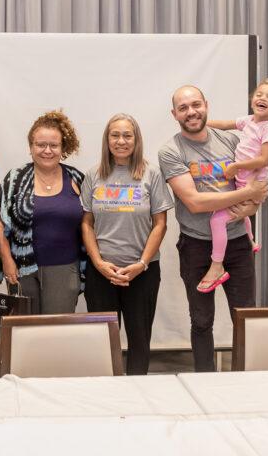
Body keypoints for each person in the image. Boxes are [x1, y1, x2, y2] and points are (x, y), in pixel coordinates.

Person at [158, 85, 268, 372]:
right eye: (183, 108)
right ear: (174, 114)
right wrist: (247, 197)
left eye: (196, 104)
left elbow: (258, 184)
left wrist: (253, 203)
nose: (191, 112)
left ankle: (246, 379)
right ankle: (205, 381)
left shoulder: (232, 141)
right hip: (196, 247)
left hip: (238, 244)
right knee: (202, 320)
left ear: (206, 104)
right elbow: (195, 203)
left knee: (244, 318)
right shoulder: (171, 151)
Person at [80, 114, 173, 375]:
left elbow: (160, 224)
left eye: (127, 135)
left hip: (142, 273)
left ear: (136, 139)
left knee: (140, 341)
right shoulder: (93, 175)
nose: (121, 141)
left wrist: (141, 264)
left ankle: (137, 397)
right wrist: (98, 262)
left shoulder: (152, 174)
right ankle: (106, 397)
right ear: (107, 140)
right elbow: (86, 223)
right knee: (101, 341)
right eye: (115, 135)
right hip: (102, 273)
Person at [0, 111, 85, 315]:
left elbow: (89, 223)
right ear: (31, 147)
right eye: (40, 144)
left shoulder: (77, 179)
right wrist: (7, 259)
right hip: (22, 269)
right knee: (25, 332)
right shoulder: (15, 179)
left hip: (65, 270)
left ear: (63, 148)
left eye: (54, 145)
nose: (47, 150)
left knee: (57, 333)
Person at [199, 79, 268, 293]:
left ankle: (217, 265)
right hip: (243, 181)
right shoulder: (249, 121)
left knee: (218, 220)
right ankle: (251, 241)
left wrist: (237, 166)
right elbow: (226, 124)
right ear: (252, 99)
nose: (262, 98)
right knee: (242, 213)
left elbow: (264, 159)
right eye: (259, 94)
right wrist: (203, 123)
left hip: (252, 182)